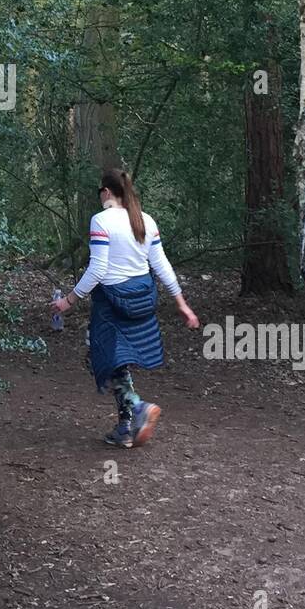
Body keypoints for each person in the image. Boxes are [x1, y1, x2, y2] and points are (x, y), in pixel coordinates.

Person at [51, 168, 199, 447]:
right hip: (142, 300)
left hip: (112, 303)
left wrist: (67, 301)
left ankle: (138, 406)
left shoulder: (101, 221)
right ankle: (125, 428)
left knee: (102, 356)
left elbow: (97, 270)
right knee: (116, 362)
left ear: (106, 192)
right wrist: (182, 304)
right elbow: (161, 266)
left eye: (99, 192)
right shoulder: (146, 220)